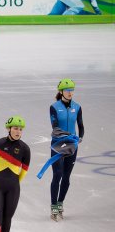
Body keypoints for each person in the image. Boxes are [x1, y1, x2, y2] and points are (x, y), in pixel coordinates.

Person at [0, 116, 31, 232]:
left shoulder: (25, 149)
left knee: (6, 223)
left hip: (13, 189)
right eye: (16, 128)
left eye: (21, 129)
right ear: (9, 129)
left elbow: (24, 171)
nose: (18, 132)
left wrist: (14, 182)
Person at [49, 78, 84, 221]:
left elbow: (81, 125)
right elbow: (55, 127)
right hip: (58, 145)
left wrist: (80, 138)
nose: (70, 93)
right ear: (61, 91)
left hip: (72, 146)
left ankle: (60, 203)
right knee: (57, 174)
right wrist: (68, 134)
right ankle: (53, 206)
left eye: (72, 90)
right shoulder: (54, 107)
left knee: (66, 177)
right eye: (68, 90)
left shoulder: (77, 107)